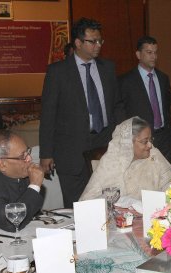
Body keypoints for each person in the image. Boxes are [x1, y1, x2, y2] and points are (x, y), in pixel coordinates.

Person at [40, 17, 125, 208]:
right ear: (78, 43)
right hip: (70, 151)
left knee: (107, 204)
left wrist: (123, 136)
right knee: (77, 208)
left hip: (104, 145)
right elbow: (48, 114)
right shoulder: (58, 72)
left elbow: (117, 105)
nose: (98, 45)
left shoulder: (108, 68)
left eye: (100, 41)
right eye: (92, 41)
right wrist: (46, 153)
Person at [80, 117, 171, 201]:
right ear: (128, 143)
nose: (150, 145)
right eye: (144, 141)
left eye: (150, 140)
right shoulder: (110, 163)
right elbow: (87, 201)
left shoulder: (154, 156)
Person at [119, 36, 171, 165]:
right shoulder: (126, 81)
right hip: (140, 141)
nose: (154, 56)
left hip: (164, 139)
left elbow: (166, 110)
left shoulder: (163, 78)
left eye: (155, 52)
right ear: (138, 54)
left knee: (165, 178)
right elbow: (122, 113)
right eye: (149, 52)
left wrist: (170, 137)